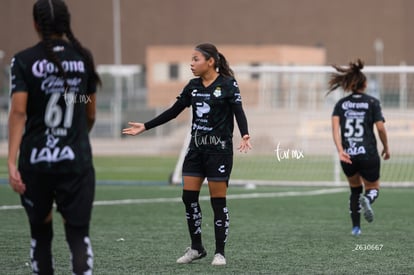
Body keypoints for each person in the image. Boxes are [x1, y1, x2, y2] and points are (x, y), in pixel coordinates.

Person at [122, 43, 251, 265]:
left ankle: (220, 253)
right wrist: (145, 126)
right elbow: (173, 112)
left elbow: (239, 111)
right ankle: (196, 247)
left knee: (217, 201)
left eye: (195, 59)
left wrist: (245, 134)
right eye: (191, 60)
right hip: (195, 151)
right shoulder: (192, 86)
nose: (191, 64)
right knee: (188, 198)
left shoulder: (228, 85)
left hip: (219, 152)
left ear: (210, 61)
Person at [7, 0, 101, 273]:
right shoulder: (84, 58)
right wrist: (76, 140)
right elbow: (90, 112)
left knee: (40, 235)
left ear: (36, 24)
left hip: (36, 160)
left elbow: (18, 113)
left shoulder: (23, 61)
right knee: (78, 235)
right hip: (75, 161)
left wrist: (12, 163)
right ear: (66, 22)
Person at [328, 59, 390, 236]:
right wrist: (386, 147)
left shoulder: (340, 104)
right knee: (373, 188)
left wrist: (340, 150)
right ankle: (368, 199)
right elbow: (380, 128)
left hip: (348, 155)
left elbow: (335, 130)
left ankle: (356, 228)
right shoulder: (372, 102)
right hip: (368, 154)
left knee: (355, 189)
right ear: (364, 84)